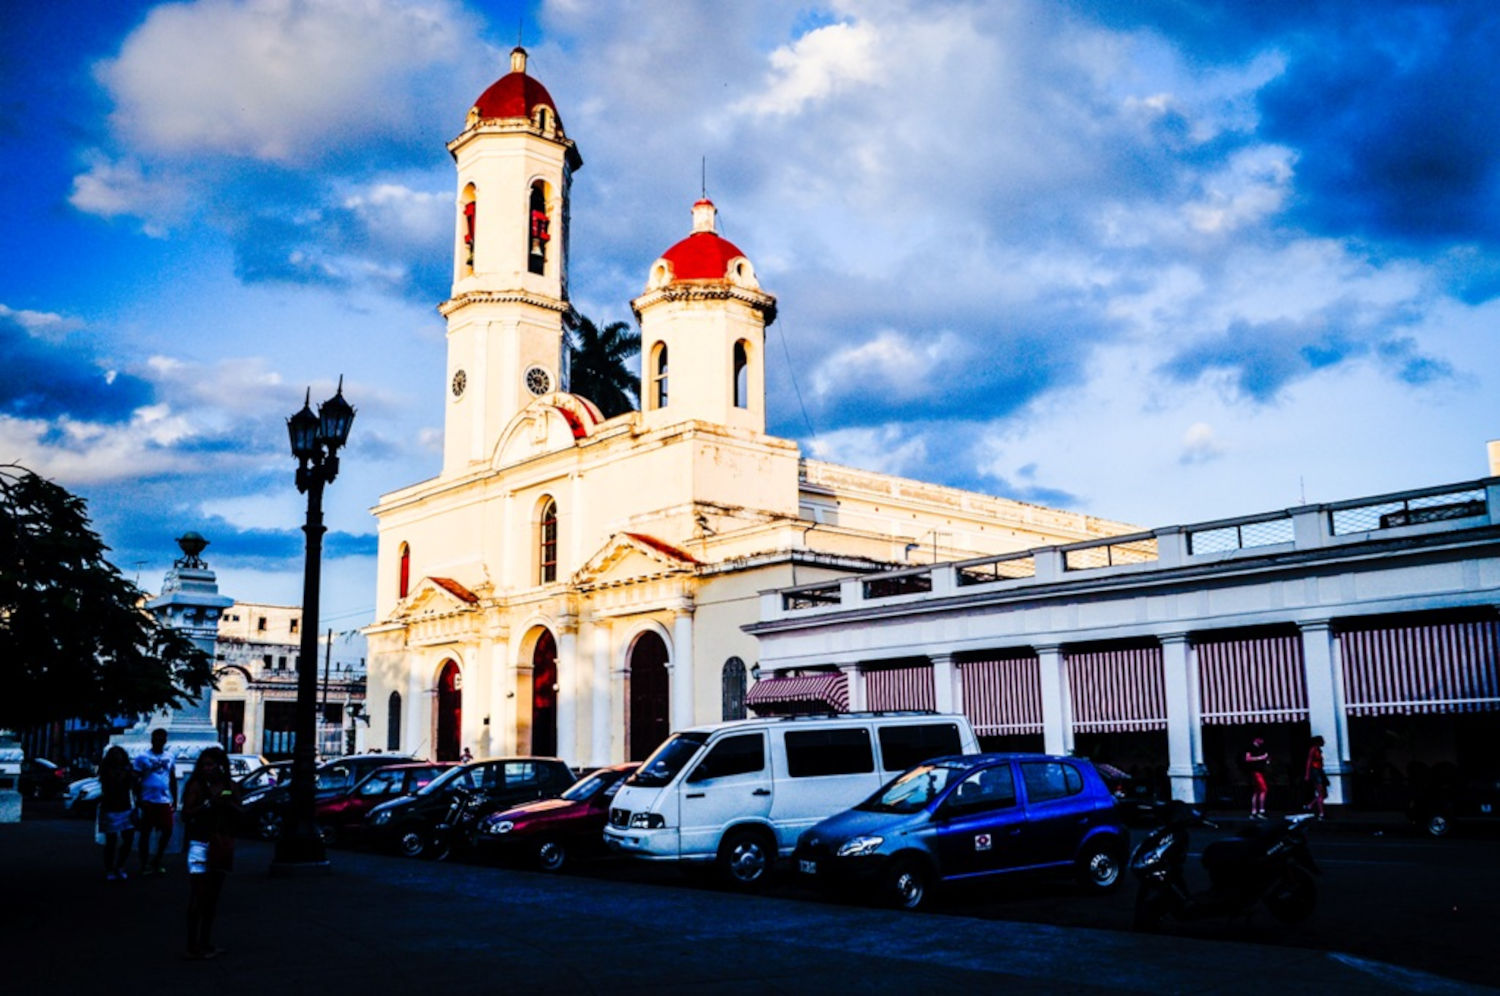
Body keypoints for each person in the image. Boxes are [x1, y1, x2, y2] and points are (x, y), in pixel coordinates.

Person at [181, 747, 239, 960]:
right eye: (204, 765)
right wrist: (208, 805)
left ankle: (204, 941)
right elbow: (186, 813)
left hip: (221, 841)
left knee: (213, 896)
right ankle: (192, 943)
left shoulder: (229, 786)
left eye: (211, 764)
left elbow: (240, 811)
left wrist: (229, 804)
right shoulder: (196, 786)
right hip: (200, 842)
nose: (207, 769)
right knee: (198, 893)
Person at [133, 729, 177, 875]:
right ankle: (144, 863)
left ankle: (157, 860)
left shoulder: (170, 756)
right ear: (151, 740)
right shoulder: (142, 757)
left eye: (162, 738)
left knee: (167, 830)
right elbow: (136, 780)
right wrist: (138, 799)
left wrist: (174, 799)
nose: (159, 741)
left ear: (165, 740)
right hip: (148, 800)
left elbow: (172, 778)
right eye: (156, 738)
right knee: (145, 832)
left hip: (164, 799)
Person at [97, 746, 136, 880]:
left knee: (128, 839)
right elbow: (111, 783)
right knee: (111, 841)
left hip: (125, 806)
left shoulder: (127, 769)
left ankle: (119, 865)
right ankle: (110, 868)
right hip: (111, 807)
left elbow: (132, 785)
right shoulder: (107, 770)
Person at [1244, 737, 1270, 819]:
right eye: (1261, 739)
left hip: (1261, 771)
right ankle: (1261, 811)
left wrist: (1266, 760)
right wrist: (1260, 758)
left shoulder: (1261, 748)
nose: (1262, 741)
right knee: (1263, 790)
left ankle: (1254, 812)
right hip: (1255, 772)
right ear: (1256, 739)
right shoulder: (1250, 747)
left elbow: (1265, 758)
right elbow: (1247, 758)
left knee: (1257, 791)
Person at [1305, 735, 1329, 820]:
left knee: (1324, 793)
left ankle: (1310, 805)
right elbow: (1309, 761)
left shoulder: (1319, 750)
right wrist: (1307, 774)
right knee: (1321, 793)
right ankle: (1321, 813)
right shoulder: (1313, 750)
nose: (1324, 742)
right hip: (1315, 771)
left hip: (1319, 770)